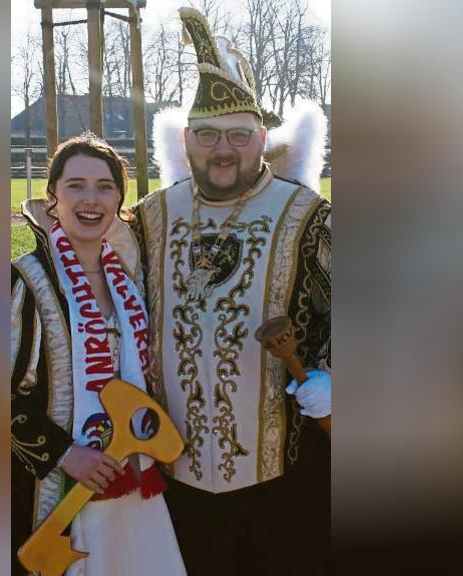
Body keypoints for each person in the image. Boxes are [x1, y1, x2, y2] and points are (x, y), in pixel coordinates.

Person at [128, 8, 332, 575]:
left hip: (287, 472)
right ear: (187, 140)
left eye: (239, 136)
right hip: (176, 476)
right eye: (208, 136)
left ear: (261, 140)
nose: (223, 149)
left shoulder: (310, 216)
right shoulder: (149, 217)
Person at [11, 134, 187, 576]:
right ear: (52, 196)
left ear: (118, 200)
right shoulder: (23, 281)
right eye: (76, 185)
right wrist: (64, 453)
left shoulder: (131, 280)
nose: (91, 199)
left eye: (105, 187)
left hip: (132, 482)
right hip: (57, 486)